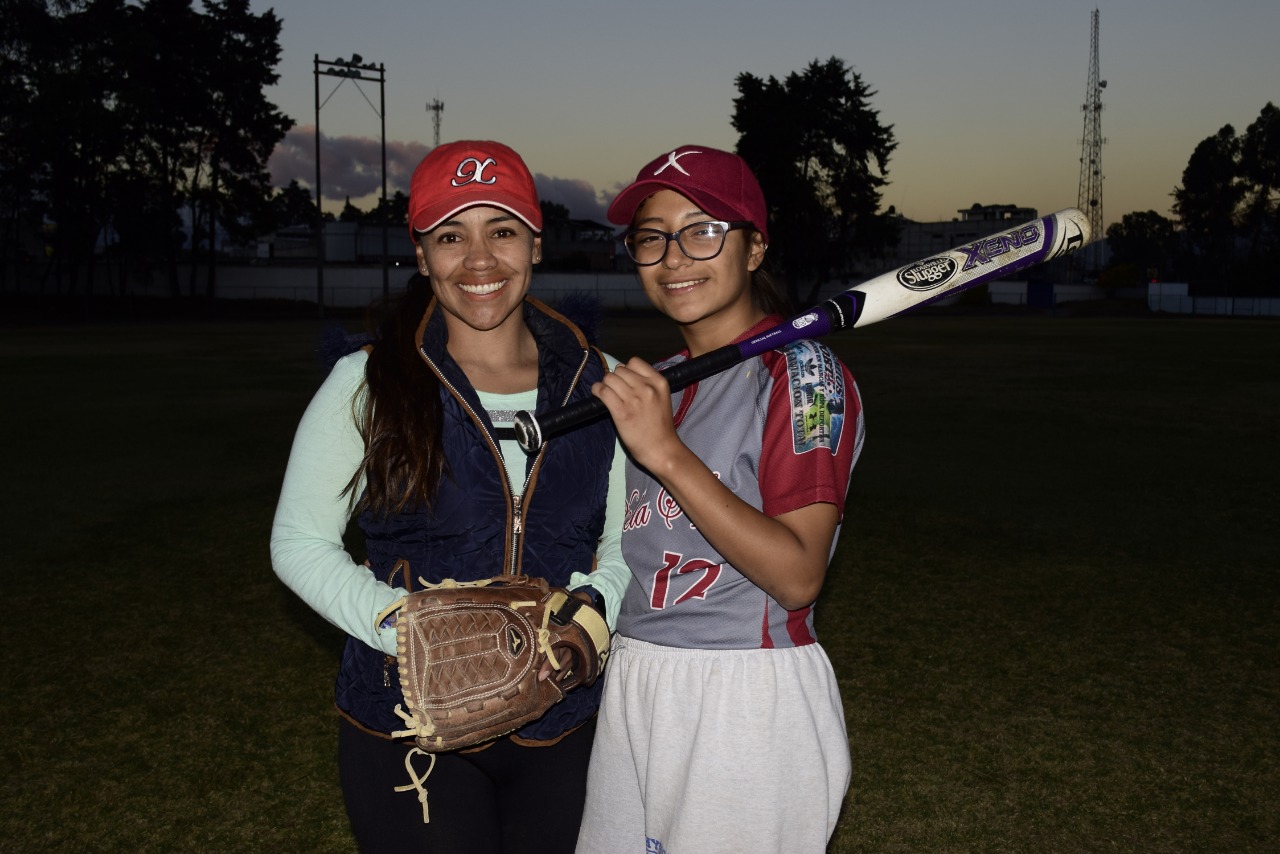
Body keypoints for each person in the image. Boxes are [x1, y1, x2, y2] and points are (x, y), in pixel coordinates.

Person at [270, 140, 631, 853]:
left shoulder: (603, 383)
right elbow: (299, 542)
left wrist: (592, 614)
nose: (479, 260)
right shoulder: (366, 382)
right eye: (450, 236)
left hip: (561, 720)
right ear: (421, 252)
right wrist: (410, 633)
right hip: (406, 721)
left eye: (501, 231)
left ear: (534, 241)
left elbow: (624, 543)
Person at [575, 145, 864, 854]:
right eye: (652, 236)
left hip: (741, 693)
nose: (674, 257)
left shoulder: (804, 378)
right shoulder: (661, 380)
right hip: (639, 675)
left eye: (703, 229)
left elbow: (798, 575)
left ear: (755, 247)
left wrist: (666, 451)